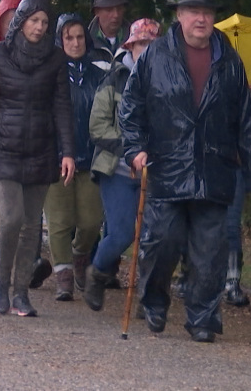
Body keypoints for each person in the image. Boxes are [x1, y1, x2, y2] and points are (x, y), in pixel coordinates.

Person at [119, 0, 251, 343]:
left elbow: (244, 118)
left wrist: (250, 170)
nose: (201, 18)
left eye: (207, 12)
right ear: (180, 16)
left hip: (214, 170)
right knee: (162, 241)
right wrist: (135, 148)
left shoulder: (230, 61)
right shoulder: (156, 55)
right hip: (167, 167)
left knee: (210, 251)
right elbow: (131, 107)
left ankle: (203, 318)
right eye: (193, 12)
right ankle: (154, 302)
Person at [0, 0, 75, 317]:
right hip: (3, 150)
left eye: (44, 22)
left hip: (41, 151)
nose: (39, 27)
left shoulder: (55, 59)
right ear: (20, 21)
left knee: (31, 225)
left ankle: (21, 291)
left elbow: (62, 108)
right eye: (33, 20)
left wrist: (68, 152)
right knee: (11, 218)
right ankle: (1, 283)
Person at [83, 18, 161, 311]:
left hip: (155, 172)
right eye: (141, 44)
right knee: (122, 232)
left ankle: (150, 297)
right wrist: (131, 149)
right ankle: (98, 272)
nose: (146, 49)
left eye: (151, 44)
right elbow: (97, 126)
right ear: (131, 46)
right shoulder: (114, 79)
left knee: (155, 236)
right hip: (116, 169)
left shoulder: (169, 81)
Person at [43, 13, 106, 301]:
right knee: (59, 221)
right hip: (55, 157)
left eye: (80, 36)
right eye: (69, 37)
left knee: (92, 221)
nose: (75, 42)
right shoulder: (49, 74)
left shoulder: (98, 74)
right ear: (59, 39)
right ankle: (64, 275)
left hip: (91, 158)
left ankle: (80, 255)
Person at [224, 83, 251, 307]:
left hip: (235, 164)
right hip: (204, 165)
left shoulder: (242, 83)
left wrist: (246, 95)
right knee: (199, 223)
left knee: (231, 225)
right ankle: (190, 276)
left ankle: (232, 281)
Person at [87, 0, 130, 71]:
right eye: (109, 10)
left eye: (119, 9)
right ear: (97, 12)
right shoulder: (85, 43)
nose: (116, 15)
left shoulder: (136, 42)